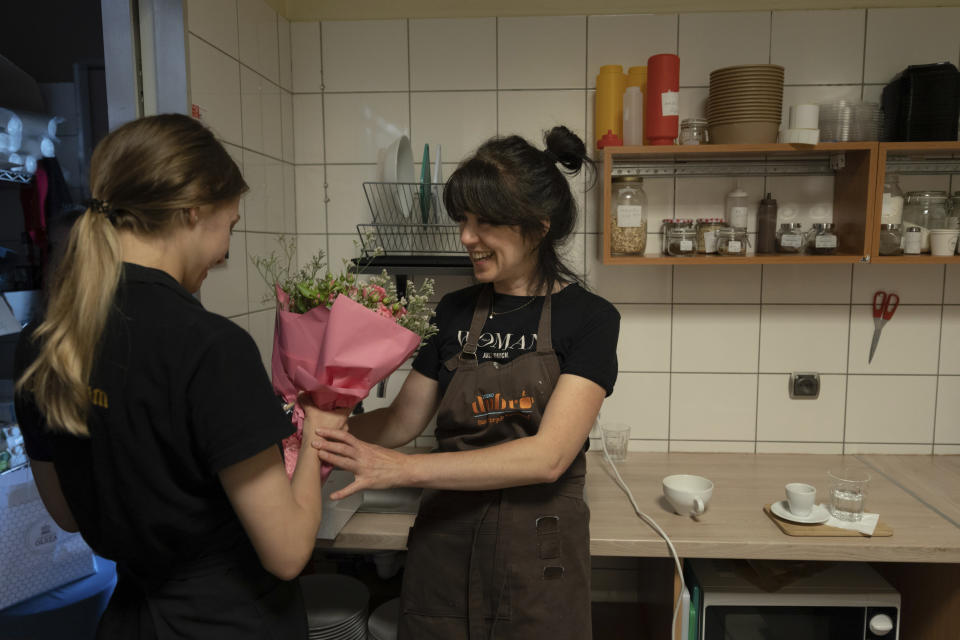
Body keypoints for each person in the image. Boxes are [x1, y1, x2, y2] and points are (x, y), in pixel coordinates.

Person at [13, 114, 341, 639]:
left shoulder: (44, 341)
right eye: (228, 227)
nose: (226, 253)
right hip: (228, 622)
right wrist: (320, 428)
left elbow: (69, 515)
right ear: (193, 212)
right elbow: (287, 553)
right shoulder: (212, 346)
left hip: (128, 620)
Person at [311, 126, 620, 639]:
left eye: (485, 223)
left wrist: (402, 470)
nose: (466, 238)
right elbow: (400, 422)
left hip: (538, 552)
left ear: (537, 227)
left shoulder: (589, 318)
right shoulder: (454, 311)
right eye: (464, 221)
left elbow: (548, 457)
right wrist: (316, 428)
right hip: (445, 545)